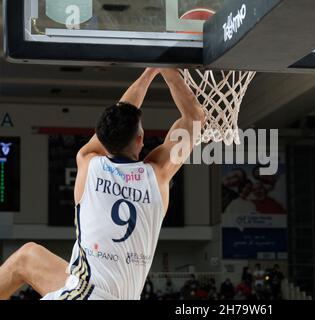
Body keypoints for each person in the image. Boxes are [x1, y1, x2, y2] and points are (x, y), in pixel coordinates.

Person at [0, 68, 205, 300]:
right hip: (110, 295)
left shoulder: (88, 163)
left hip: (84, 294)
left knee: (24, 258)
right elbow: (195, 118)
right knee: (28, 256)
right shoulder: (158, 175)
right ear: (140, 140)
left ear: (103, 138)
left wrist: (147, 74)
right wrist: (167, 71)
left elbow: (117, 117)